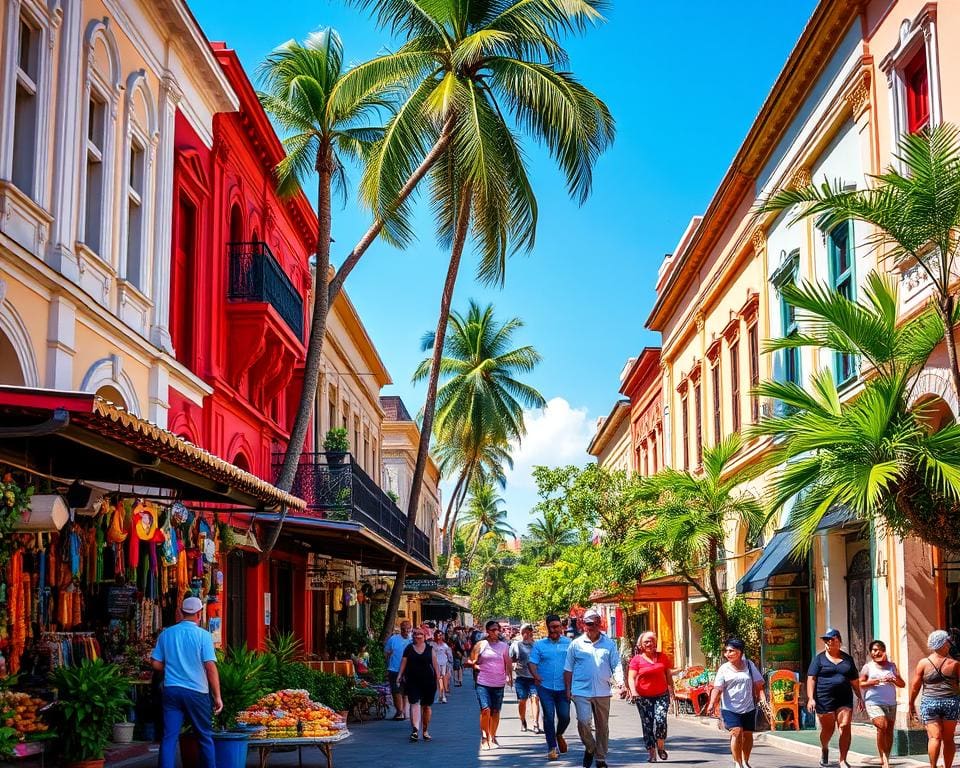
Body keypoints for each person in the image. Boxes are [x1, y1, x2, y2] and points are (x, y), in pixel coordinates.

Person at [151, 596, 223, 768]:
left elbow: (155, 663)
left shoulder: (166, 634)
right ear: (199, 613)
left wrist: (173, 665)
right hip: (197, 692)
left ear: (181, 612)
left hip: (172, 691)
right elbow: (210, 667)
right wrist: (217, 696)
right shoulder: (203, 636)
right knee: (204, 737)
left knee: (169, 738)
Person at [564, 609, 623, 768]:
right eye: (589, 623)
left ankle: (601, 758)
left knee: (602, 726)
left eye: (595, 623)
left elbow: (616, 664)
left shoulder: (609, 644)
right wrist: (568, 689)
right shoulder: (575, 644)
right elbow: (568, 668)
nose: (592, 626)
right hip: (580, 690)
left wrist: (620, 681)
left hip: (603, 691)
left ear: (599, 624)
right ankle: (590, 747)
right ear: (583, 625)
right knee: (583, 721)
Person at [807, 628, 863, 768]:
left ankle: (842, 759)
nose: (828, 643)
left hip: (844, 698)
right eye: (826, 640)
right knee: (828, 729)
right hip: (824, 698)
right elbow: (811, 679)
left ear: (839, 641)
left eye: (831, 640)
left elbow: (854, 680)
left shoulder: (847, 660)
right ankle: (824, 747)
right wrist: (810, 698)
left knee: (844, 726)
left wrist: (860, 696)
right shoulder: (819, 659)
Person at [707, 638, 765, 768]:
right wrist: (712, 703)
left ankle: (745, 761)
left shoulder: (749, 665)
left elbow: (758, 683)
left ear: (740, 652)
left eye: (731, 651)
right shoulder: (724, 669)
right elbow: (717, 688)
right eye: (726, 651)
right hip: (730, 707)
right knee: (737, 732)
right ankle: (737, 763)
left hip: (748, 706)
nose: (727, 654)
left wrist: (762, 697)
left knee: (748, 735)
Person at [909, 629, 960, 768]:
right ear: (943, 644)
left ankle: (933, 767)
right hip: (950, 702)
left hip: (929, 703)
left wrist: (911, 703)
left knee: (934, 738)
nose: (949, 645)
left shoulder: (923, 663)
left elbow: (915, 686)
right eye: (948, 642)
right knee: (948, 739)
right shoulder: (954, 664)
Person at [529, 614, 572, 761]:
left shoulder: (569, 643)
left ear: (561, 627)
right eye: (552, 627)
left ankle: (559, 734)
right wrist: (536, 675)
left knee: (565, 717)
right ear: (547, 627)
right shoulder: (539, 645)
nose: (555, 629)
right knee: (548, 717)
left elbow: (575, 664)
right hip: (545, 686)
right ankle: (552, 748)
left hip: (564, 687)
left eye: (557, 626)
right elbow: (532, 662)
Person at [465, 619, 512, 750]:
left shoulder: (504, 646)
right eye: (493, 630)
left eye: (498, 630)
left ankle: (493, 736)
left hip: (498, 682)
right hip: (483, 682)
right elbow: (470, 660)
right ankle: (485, 737)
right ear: (487, 631)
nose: (496, 632)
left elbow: (507, 662)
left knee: (496, 711)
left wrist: (509, 676)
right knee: (486, 709)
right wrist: (474, 665)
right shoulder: (481, 644)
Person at [628, 631, 674, 763]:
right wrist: (634, 692)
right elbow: (631, 677)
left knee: (660, 720)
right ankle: (651, 753)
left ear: (656, 642)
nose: (649, 644)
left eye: (652, 641)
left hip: (661, 694)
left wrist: (671, 689)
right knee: (647, 724)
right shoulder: (636, 660)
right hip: (643, 697)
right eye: (646, 642)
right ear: (641, 645)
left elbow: (668, 674)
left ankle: (660, 747)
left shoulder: (662, 657)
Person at [860, 639, 905, 768]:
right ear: (870, 653)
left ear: (884, 651)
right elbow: (861, 683)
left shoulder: (892, 666)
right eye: (874, 650)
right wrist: (873, 682)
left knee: (889, 730)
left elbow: (902, 684)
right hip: (874, 702)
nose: (877, 652)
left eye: (880, 649)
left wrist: (894, 679)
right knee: (882, 725)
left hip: (891, 703)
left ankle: (886, 757)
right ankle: (884, 759)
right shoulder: (868, 667)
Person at [398, 627, 441, 742]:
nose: (417, 636)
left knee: (426, 706)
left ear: (425, 636)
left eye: (420, 634)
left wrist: (438, 678)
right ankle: (415, 730)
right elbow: (404, 662)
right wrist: (399, 675)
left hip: (428, 682)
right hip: (412, 681)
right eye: (415, 634)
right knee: (414, 703)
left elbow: (435, 664)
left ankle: (425, 730)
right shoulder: (409, 648)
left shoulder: (430, 649)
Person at [512, 624, 541, 733]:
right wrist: (513, 666)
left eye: (529, 632)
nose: (527, 634)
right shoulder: (516, 645)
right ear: (521, 633)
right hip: (521, 677)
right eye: (525, 632)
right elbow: (512, 659)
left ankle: (535, 723)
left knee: (535, 698)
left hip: (533, 677)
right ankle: (523, 720)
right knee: (522, 701)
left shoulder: (537, 645)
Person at [385, 620, 412, 720]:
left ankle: (405, 712)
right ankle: (399, 711)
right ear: (401, 629)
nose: (406, 631)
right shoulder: (393, 639)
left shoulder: (412, 640)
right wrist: (388, 665)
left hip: (409, 670)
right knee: (396, 691)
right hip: (394, 669)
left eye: (407, 629)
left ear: (410, 629)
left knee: (406, 692)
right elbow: (387, 653)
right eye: (404, 629)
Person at [433, 630, 454, 703]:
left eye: (440, 635)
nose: (439, 636)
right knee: (438, 679)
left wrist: (449, 663)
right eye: (437, 635)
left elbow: (449, 655)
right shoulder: (433, 645)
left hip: (444, 664)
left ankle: (442, 695)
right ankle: (441, 695)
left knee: (441, 679)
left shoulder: (445, 645)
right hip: (435, 664)